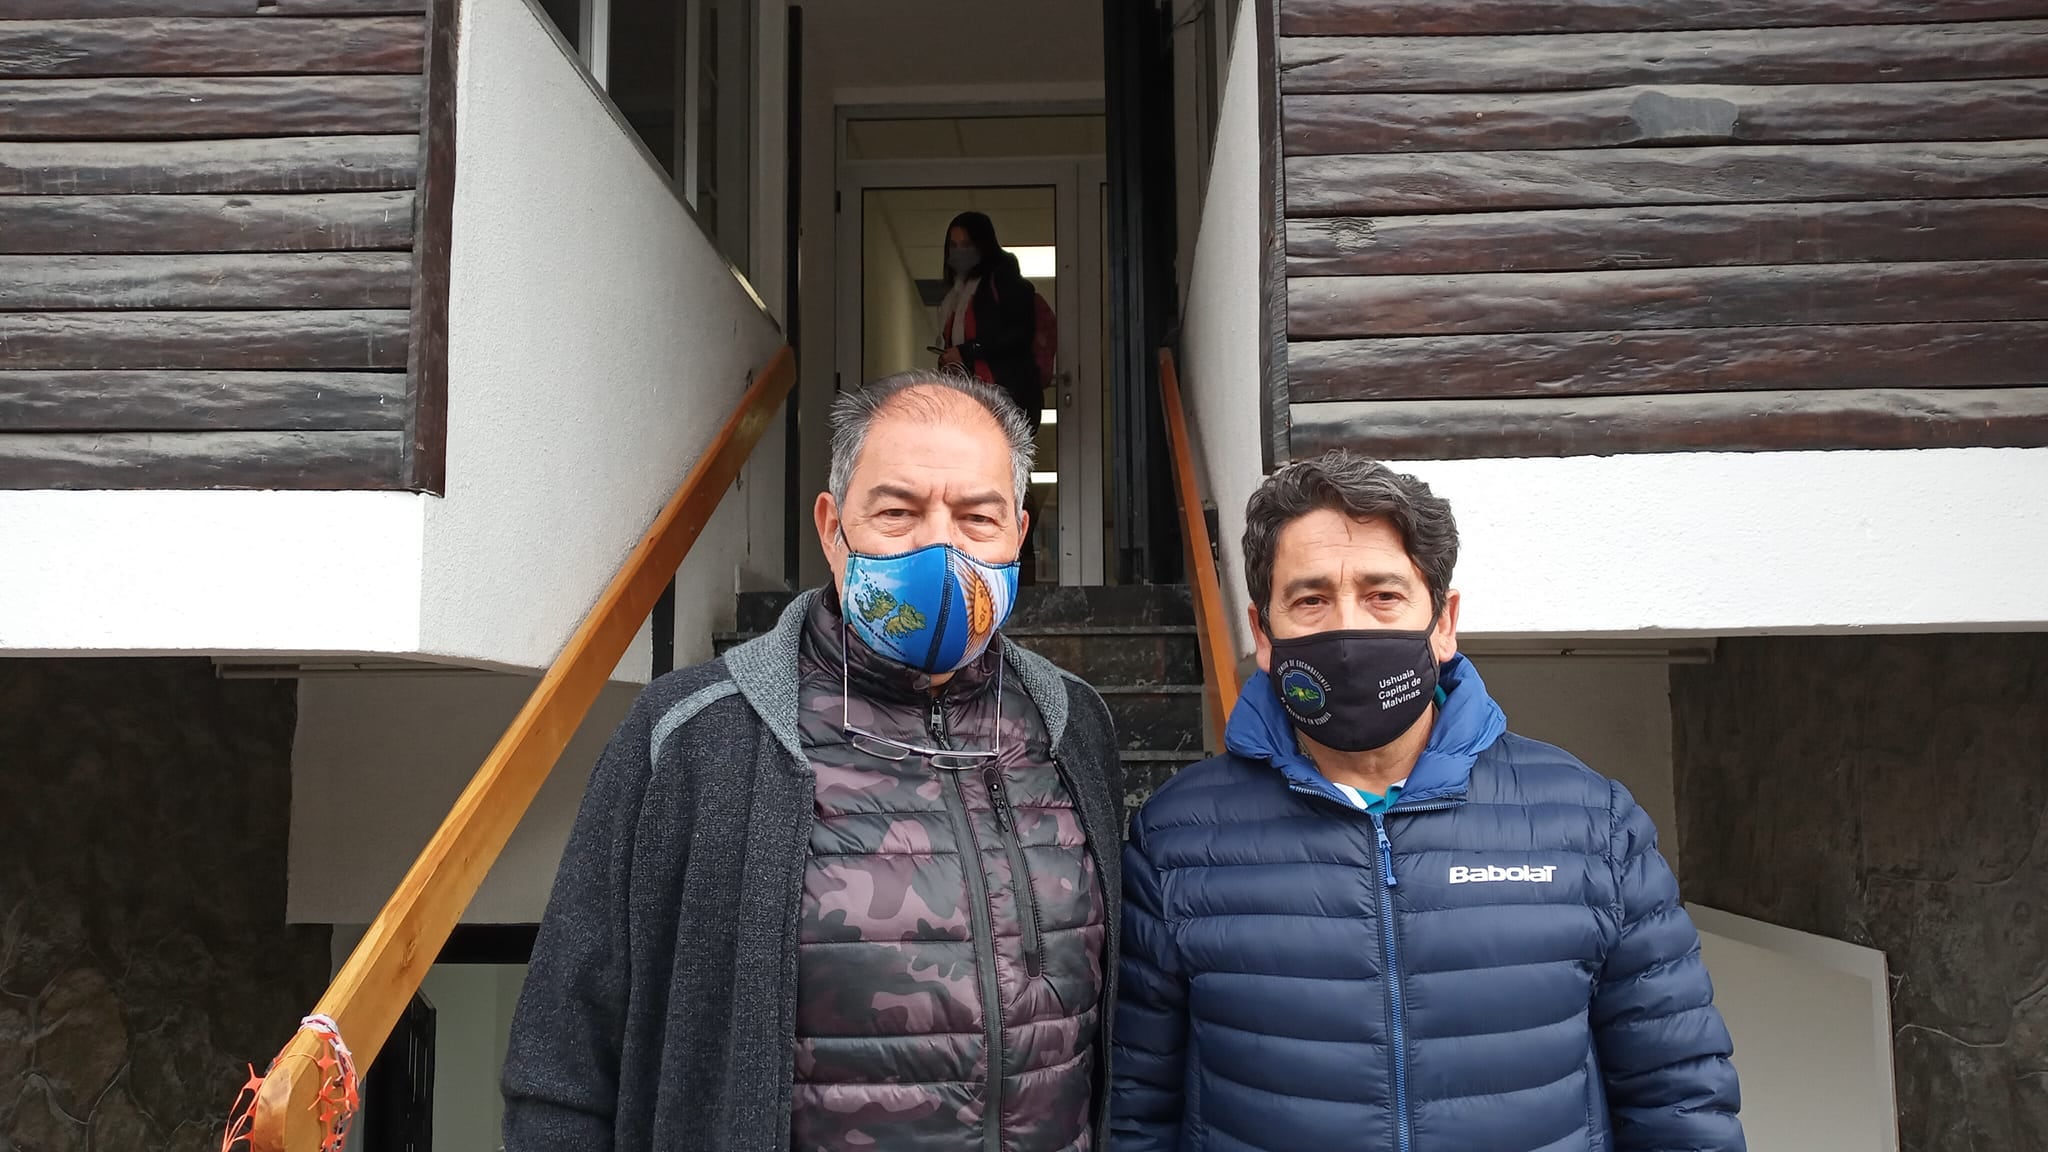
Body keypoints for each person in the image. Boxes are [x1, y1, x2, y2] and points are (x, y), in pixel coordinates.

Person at [501, 371, 1127, 1152]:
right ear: (833, 528)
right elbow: (565, 1055)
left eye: (977, 516)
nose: (940, 546)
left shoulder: (1071, 725)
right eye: (898, 512)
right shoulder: (695, 736)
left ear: (1018, 536)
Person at [1112, 451, 1745, 1152]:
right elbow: (1137, 1110)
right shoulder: (1176, 840)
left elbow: (1679, 1101)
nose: (1346, 632)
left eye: (1383, 595)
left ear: (1443, 623)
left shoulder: (1592, 826)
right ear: (1265, 635)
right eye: (1311, 598)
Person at [935, 210, 1041, 424]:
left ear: (982, 245)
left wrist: (966, 351)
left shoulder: (1002, 280)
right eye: (953, 246)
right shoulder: (955, 297)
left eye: (966, 244)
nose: (959, 252)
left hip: (1004, 399)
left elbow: (1019, 334)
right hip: (969, 398)